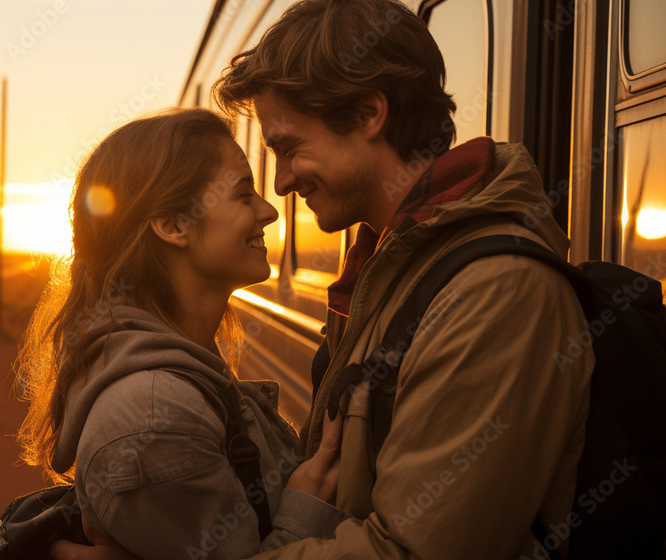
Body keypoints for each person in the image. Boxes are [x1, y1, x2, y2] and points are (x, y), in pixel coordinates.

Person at [53, 1, 594, 559]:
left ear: (367, 114)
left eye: (288, 148)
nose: (281, 186)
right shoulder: (392, 273)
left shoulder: (494, 293)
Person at [16, 107, 346, 560]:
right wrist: (308, 507)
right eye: (243, 194)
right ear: (173, 226)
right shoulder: (155, 418)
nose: (268, 211)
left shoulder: (176, 378)